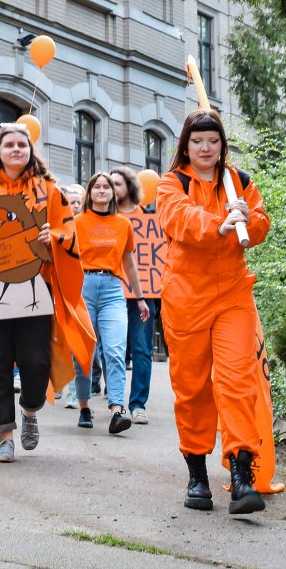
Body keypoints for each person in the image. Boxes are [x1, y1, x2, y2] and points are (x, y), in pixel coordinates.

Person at [0, 124, 94, 463]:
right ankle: (4, 436)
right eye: (9, 145)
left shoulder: (48, 189)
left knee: (35, 361)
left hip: (35, 285)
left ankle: (30, 410)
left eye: (22, 144)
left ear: (31, 151)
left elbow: (68, 230)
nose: (16, 149)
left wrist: (54, 237)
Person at [156, 109, 270, 515]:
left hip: (233, 295)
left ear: (222, 145)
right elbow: (177, 218)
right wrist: (218, 225)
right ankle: (197, 474)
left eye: (213, 141)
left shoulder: (238, 181)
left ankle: (242, 476)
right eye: (198, 142)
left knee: (238, 381)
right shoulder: (172, 183)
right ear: (186, 146)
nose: (206, 149)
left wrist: (247, 221)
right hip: (185, 297)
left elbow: (259, 223)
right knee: (192, 389)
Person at [73, 172, 149, 433]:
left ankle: (117, 410)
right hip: (82, 287)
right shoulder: (76, 222)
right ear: (90, 192)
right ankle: (84, 406)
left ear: (113, 193)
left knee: (115, 350)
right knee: (83, 352)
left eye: (107, 186)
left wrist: (140, 298)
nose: (103, 190)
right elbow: (65, 260)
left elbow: (129, 262)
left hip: (113, 289)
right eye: (97, 187)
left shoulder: (123, 224)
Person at [110, 166, 156, 425]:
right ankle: (114, 396)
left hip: (143, 293)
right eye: (110, 183)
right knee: (113, 347)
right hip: (113, 290)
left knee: (141, 349)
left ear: (129, 186)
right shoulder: (103, 218)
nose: (114, 188)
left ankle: (138, 403)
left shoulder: (150, 218)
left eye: (117, 183)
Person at [58, 184, 102, 409]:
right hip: (60, 288)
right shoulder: (58, 226)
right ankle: (58, 382)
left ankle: (76, 390)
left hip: (84, 288)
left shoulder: (88, 225)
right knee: (60, 338)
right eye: (70, 201)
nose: (74, 205)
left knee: (80, 340)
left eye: (78, 201)